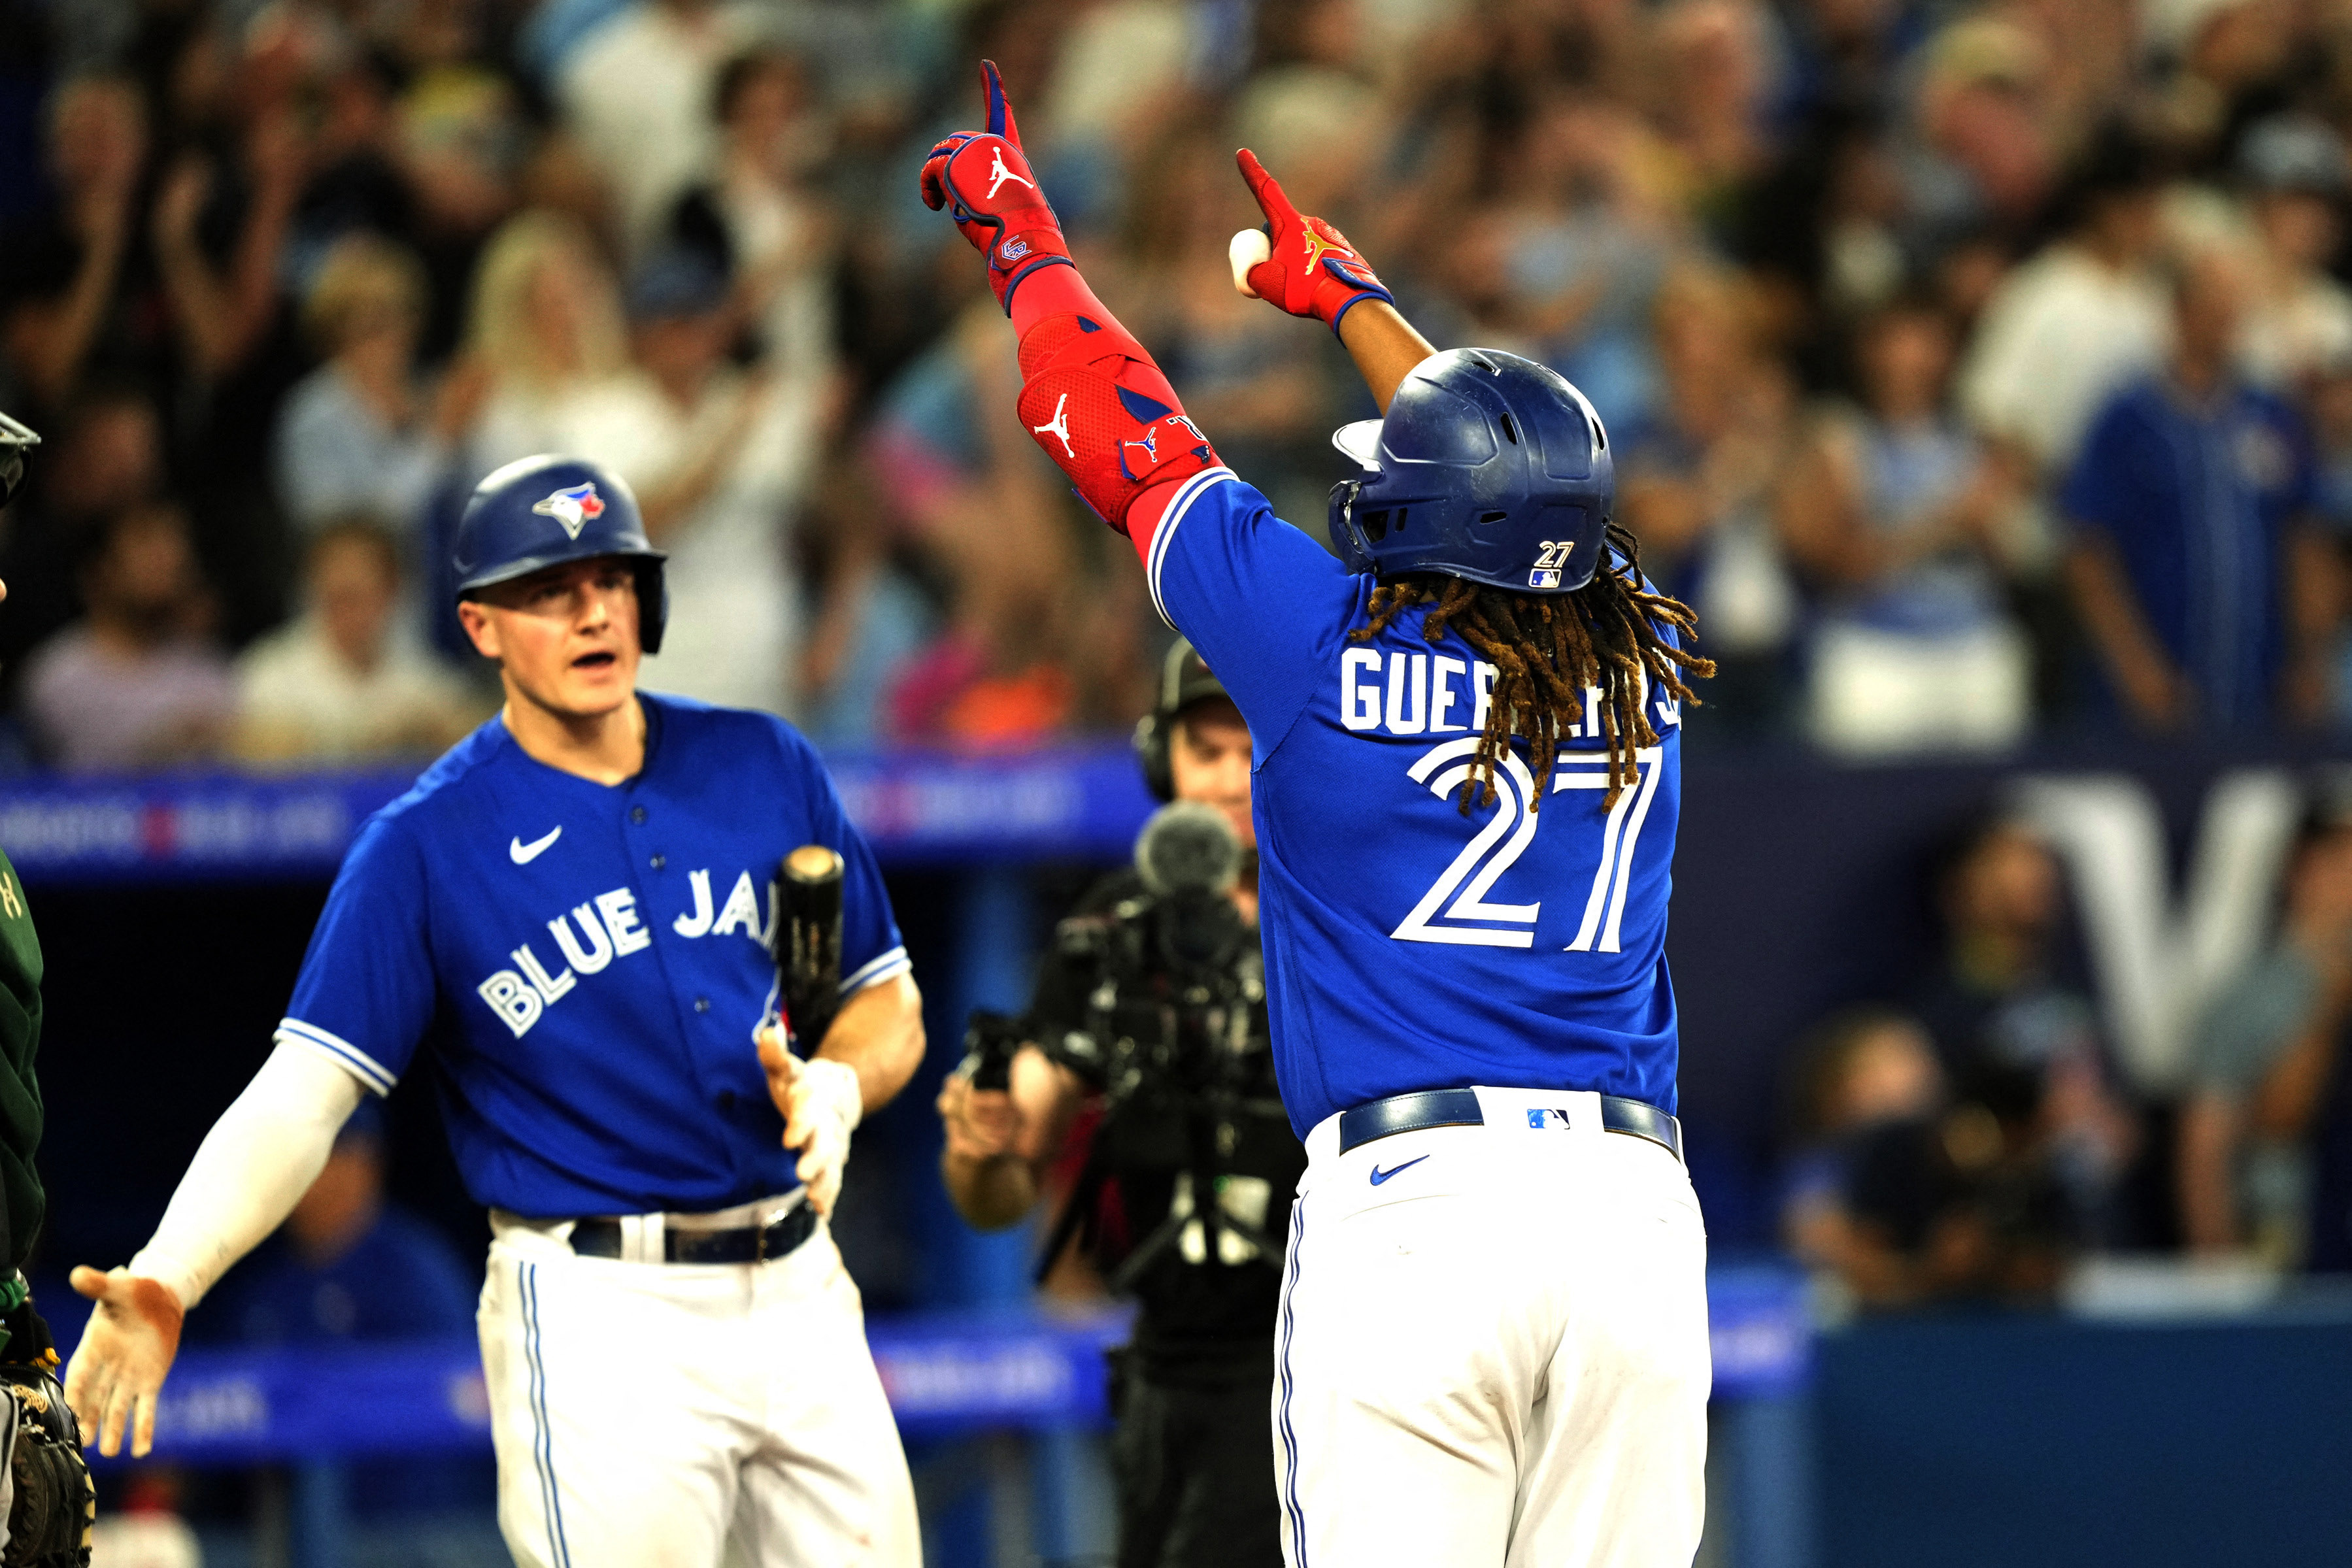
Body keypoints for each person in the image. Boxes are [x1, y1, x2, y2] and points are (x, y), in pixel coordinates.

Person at [923, 65, 1717, 1566]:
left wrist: (1022, 239)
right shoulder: (1642, 652)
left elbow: (1112, 418)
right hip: (1633, 1225)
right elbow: (1521, 487)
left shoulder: (1317, 645)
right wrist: (1358, 299)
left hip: (1418, 1214)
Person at [63, 454, 927, 1568]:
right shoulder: (425, 844)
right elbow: (303, 1091)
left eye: (613, 579)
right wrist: (169, 1269)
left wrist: (842, 1083)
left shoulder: (762, 760)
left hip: (803, 1284)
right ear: (479, 625)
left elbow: (885, 995)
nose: (592, 610)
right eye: (550, 589)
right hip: (602, 1312)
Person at [937, 641, 1304, 1568]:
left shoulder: (1354, 912)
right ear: (1159, 761)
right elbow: (1002, 1183)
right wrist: (982, 1142)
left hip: (1353, 1349)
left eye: (1246, 750)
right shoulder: (1111, 926)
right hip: (1177, 1369)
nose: (1225, 779)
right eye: (1202, 751)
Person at [2061, 249, 2327, 731]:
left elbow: (2303, 540)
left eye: (2234, 310)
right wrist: (2134, 664)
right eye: (2214, 308)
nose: (2226, 323)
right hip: (2148, 688)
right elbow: (2089, 550)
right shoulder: (2127, 419)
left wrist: (2308, 656)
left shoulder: (2270, 416)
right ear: (2179, 312)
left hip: (2260, 684)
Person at [2179, 801, 2352, 1264]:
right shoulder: (2248, 999)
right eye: (2341, 858)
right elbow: (2216, 1145)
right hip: (2289, 1242)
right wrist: (2219, 1265)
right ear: (2302, 869)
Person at [233, 519, 483, 766]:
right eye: (338, 595)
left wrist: (427, 734)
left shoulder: (426, 680)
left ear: (393, 591)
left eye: (360, 596)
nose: (349, 611)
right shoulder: (268, 671)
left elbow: (479, 745)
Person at [20, 500, 235, 772]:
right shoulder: (56, 675)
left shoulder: (206, 667)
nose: (168, 559)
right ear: (101, 570)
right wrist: (164, 744)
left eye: (173, 545)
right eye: (148, 544)